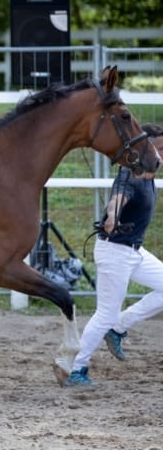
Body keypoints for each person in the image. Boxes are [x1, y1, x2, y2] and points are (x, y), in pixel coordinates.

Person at [65, 123, 163, 386]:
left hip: (134, 251)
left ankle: (119, 327)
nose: (162, 155)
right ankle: (75, 369)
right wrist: (112, 215)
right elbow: (118, 196)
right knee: (104, 314)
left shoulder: (149, 175)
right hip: (115, 252)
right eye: (160, 148)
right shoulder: (130, 173)